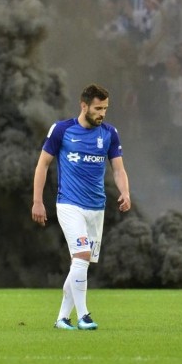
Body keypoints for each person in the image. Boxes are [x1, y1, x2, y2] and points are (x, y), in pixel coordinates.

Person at [32, 84, 132, 331]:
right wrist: (37, 201)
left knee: (81, 263)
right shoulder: (62, 130)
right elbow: (42, 165)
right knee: (82, 256)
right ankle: (84, 315)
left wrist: (125, 192)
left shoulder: (109, 134)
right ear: (84, 105)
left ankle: (61, 319)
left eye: (106, 108)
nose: (102, 113)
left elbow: (118, 169)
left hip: (96, 208)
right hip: (69, 204)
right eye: (98, 108)